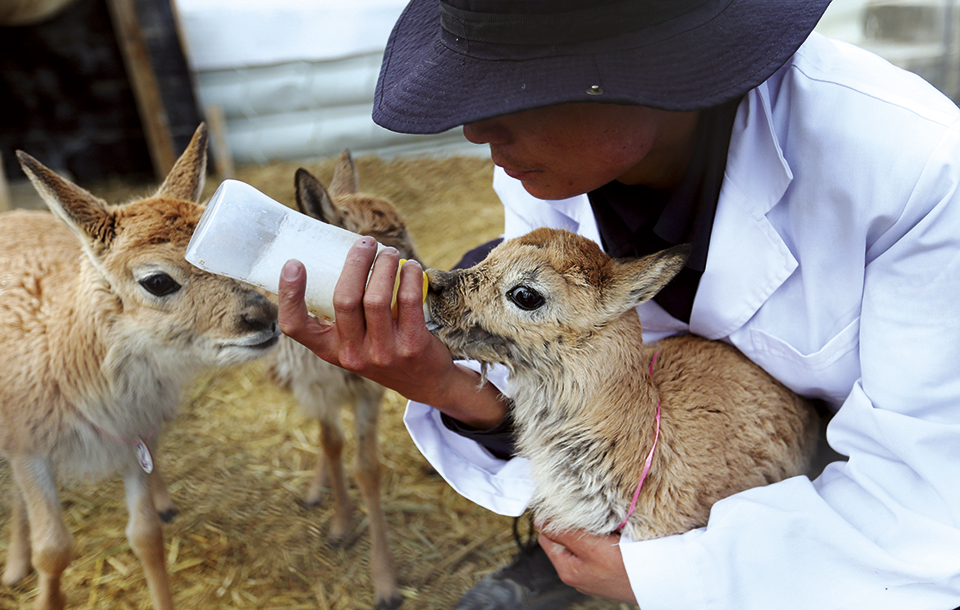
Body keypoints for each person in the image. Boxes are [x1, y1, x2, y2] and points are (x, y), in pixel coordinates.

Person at [276, 0, 960, 608]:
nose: (477, 132)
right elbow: (565, 365)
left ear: (658, 69)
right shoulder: (553, 164)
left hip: (839, 488)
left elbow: (933, 503)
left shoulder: (917, 173)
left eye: (522, 88)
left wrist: (675, 575)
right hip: (650, 437)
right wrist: (446, 387)